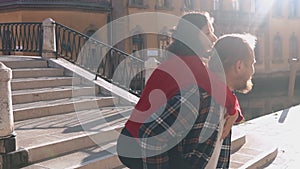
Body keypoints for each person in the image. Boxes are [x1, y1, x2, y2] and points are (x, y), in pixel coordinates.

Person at [117, 12, 255, 169]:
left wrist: (233, 109)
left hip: (141, 135)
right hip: (137, 141)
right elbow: (217, 90)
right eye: (208, 32)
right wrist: (234, 109)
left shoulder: (178, 59)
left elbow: (219, 89)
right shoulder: (188, 64)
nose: (213, 38)